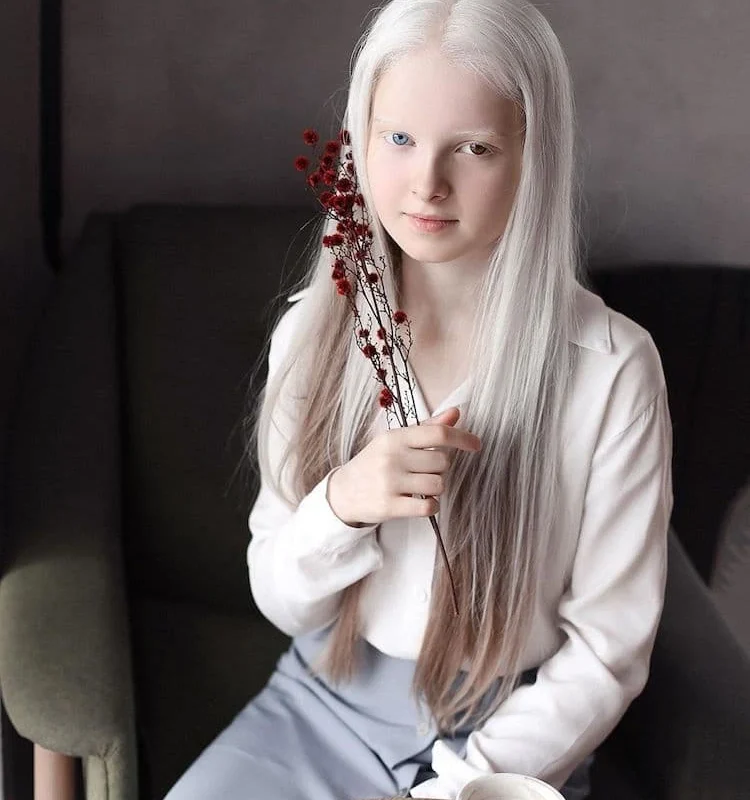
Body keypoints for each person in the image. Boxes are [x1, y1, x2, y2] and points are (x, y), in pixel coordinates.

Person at [165, 0, 673, 798]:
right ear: (362, 137)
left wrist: (467, 781)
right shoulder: (313, 338)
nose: (428, 184)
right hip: (319, 707)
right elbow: (281, 600)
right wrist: (343, 504)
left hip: (513, 741)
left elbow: (608, 652)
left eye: (473, 148)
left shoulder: (613, 371)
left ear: (534, 154)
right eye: (399, 138)